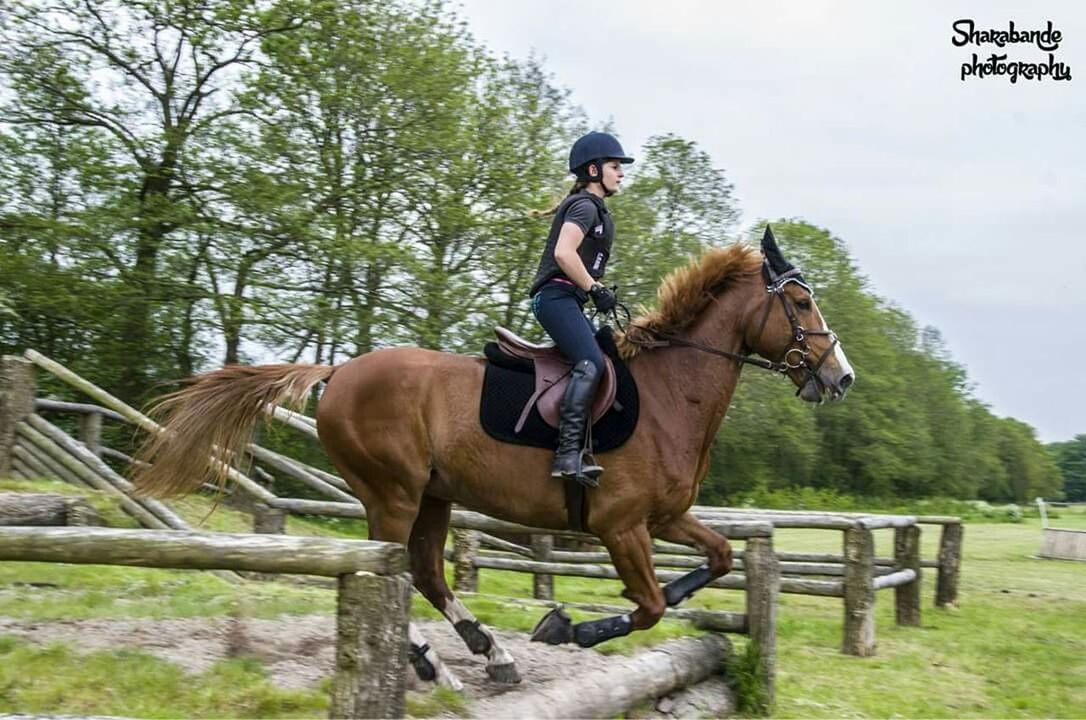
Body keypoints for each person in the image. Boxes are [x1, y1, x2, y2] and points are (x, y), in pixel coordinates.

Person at [528, 131, 634, 488]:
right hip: (555, 298)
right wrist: (594, 287)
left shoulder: (597, 211)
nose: (621, 173)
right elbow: (563, 254)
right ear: (594, 169)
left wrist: (598, 292)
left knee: (603, 355)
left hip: (569, 299)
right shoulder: (585, 206)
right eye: (615, 166)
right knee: (590, 361)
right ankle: (567, 454)